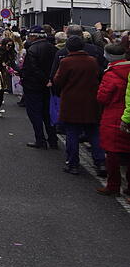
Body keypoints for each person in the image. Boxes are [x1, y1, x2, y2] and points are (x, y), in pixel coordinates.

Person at [54, 36, 106, 177]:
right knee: (94, 133)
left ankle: (73, 164)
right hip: (91, 102)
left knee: (72, 134)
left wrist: (59, 92)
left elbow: (58, 81)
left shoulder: (66, 62)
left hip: (72, 102)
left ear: (69, 48)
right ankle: (100, 162)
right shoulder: (92, 61)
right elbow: (99, 77)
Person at [96, 43, 130, 196]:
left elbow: (102, 97)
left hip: (114, 116)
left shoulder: (111, 74)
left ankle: (113, 185)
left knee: (113, 154)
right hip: (124, 113)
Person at [21, 26, 59, 149]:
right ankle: (53, 140)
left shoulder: (32, 49)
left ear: (34, 36)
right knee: (48, 113)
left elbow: (32, 69)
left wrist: (44, 80)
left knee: (35, 114)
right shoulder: (53, 48)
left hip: (33, 86)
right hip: (48, 87)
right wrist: (49, 80)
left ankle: (40, 139)